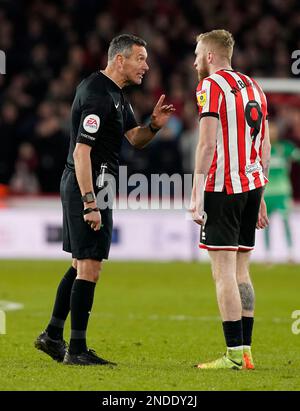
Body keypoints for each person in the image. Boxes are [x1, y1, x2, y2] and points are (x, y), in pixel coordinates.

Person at [34, 34, 175, 366]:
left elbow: (134, 139)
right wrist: (89, 202)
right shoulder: (97, 95)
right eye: (141, 58)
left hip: (99, 185)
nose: (147, 66)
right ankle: (77, 350)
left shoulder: (116, 94)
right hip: (89, 185)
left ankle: (53, 336)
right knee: (90, 267)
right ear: (120, 59)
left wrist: (153, 126)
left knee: (80, 264)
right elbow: (82, 153)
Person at [190, 29, 271, 370]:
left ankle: (234, 355)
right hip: (252, 186)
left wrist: (196, 193)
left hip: (223, 188)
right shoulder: (255, 86)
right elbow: (264, 145)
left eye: (197, 54)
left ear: (210, 56)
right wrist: (262, 194)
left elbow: (207, 144)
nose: (194, 61)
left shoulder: (210, 87)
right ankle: (246, 352)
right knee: (242, 271)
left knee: (222, 273)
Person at [263, 120, 300, 262]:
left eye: (273, 130)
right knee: (265, 224)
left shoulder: (285, 148)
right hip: (266, 193)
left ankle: (290, 252)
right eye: (269, 131)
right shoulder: (260, 150)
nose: (271, 133)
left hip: (282, 192)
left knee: (285, 221)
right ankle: (267, 254)